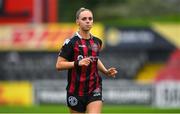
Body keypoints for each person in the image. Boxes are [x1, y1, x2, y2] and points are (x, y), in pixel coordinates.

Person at [56, 7, 117, 114]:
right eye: (84, 19)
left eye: (90, 18)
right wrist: (77, 63)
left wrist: (105, 71)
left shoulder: (97, 42)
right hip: (75, 91)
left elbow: (95, 60)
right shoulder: (70, 43)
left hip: (94, 88)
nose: (88, 21)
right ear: (77, 22)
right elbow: (59, 65)